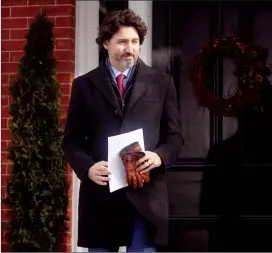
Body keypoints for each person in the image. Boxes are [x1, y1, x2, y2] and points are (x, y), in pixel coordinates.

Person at [62, 9, 184, 252]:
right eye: (122, 42)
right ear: (106, 43)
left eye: (135, 41)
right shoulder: (84, 85)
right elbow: (72, 141)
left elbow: (175, 137)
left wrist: (158, 156)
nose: (130, 48)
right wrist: (87, 168)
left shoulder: (162, 82)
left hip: (146, 196)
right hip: (101, 197)